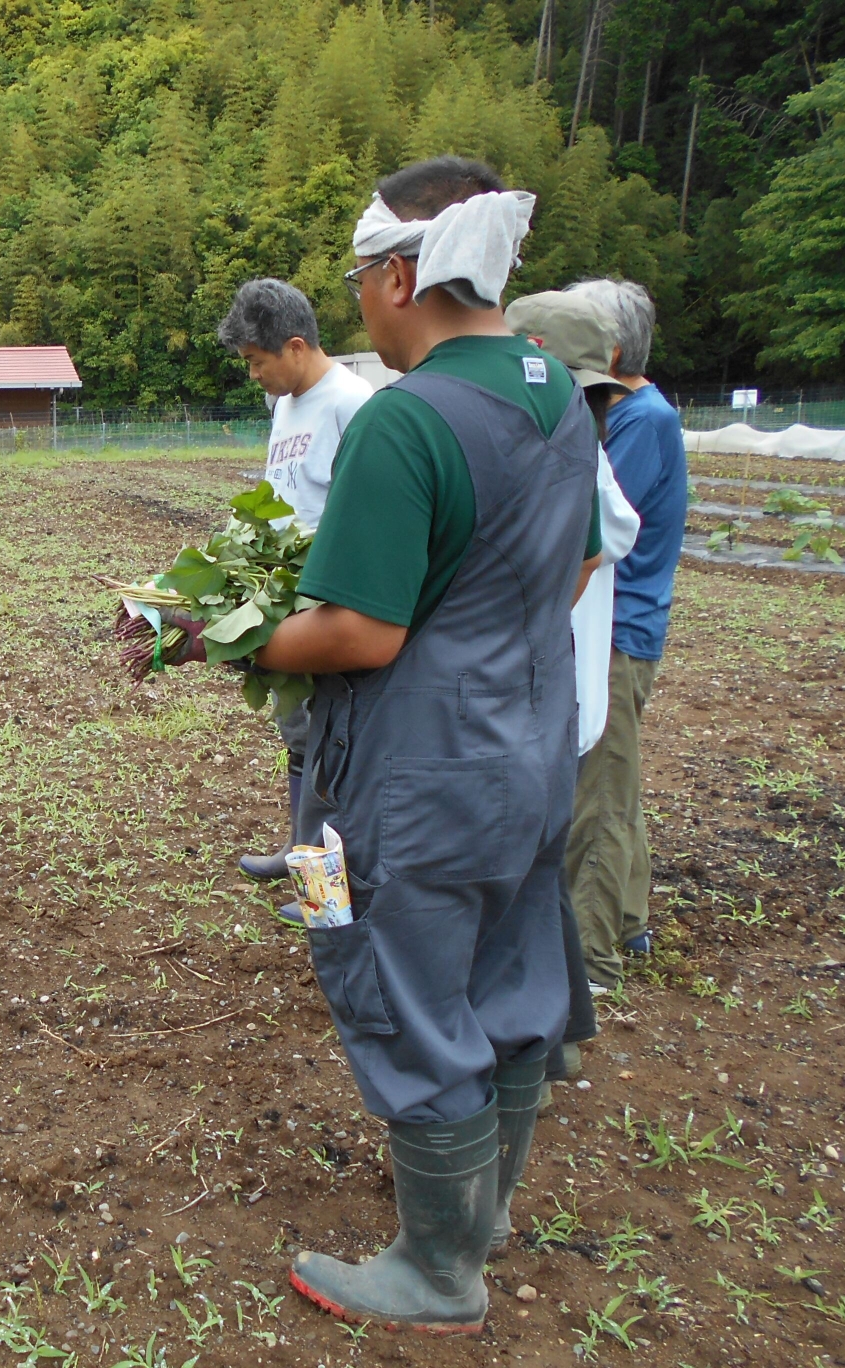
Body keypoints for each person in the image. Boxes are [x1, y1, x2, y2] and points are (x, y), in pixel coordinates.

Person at [170, 156, 602, 1334]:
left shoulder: (407, 421)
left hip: (405, 780)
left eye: (364, 273)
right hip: (529, 753)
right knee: (511, 982)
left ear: (404, 274)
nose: (357, 296)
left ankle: (437, 1271)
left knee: (395, 988)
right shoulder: (557, 392)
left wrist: (232, 640)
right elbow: (579, 562)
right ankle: (485, 1214)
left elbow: (358, 628)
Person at [505, 289, 646, 1095]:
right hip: (565, 699)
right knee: (538, 878)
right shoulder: (585, 455)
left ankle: (543, 1049)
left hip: (547, 702)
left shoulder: (562, 459)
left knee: (530, 885)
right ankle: (558, 1041)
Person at [215, 279, 372, 901]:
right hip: (282, 595)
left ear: (296, 346)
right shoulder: (284, 406)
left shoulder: (353, 403)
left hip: (329, 601)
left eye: (257, 361)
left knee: (336, 741)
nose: (253, 374)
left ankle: (329, 887)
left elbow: (359, 514)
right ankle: (298, 851)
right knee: (299, 732)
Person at [561, 278, 687, 987]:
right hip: (623, 625)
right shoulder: (647, 410)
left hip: (614, 626)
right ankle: (629, 923)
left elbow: (603, 526)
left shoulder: (636, 419)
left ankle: (592, 960)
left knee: (598, 797)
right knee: (617, 783)